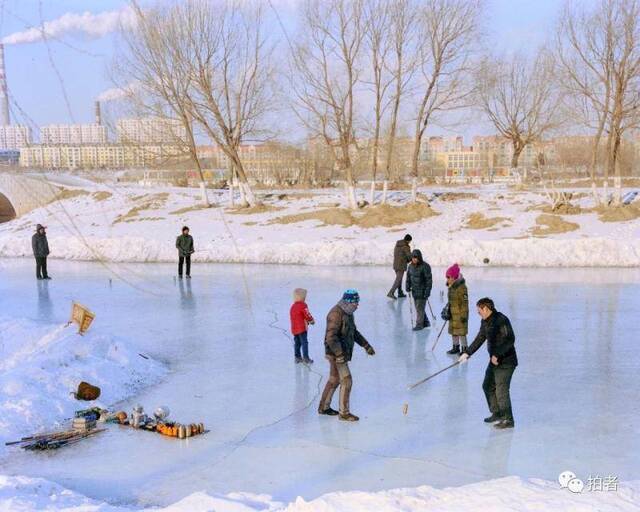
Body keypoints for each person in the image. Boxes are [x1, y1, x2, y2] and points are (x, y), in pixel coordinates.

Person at [459, 298, 518, 429]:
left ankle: (508, 419)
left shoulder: (501, 320)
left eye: (479, 311)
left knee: (501, 390)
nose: (478, 313)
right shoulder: (485, 322)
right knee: (487, 386)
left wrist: (498, 354)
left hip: (506, 361)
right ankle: (497, 413)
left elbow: (510, 340)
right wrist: (467, 353)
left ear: (486, 308)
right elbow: (480, 338)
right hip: (495, 361)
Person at [318, 289, 375, 422]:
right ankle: (344, 413)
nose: (357, 305)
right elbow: (330, 338)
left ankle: (323, 407)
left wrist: (366, 345)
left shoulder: (348, 313)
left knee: (334, 379)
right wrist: (339, 354)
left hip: (340, 353)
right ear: (348, 302)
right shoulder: (336, 314)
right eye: (356, 302)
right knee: (346, 380)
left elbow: (353, 332)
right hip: (336, 354)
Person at [445, 263, 469, 355]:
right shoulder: (451, 287)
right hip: (453, 313)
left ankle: (464, 348)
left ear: (454, 277)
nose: (447, 279)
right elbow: (451, 301)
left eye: (448, 277)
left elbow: (464, 303)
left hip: (460, 314)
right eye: (446, 277)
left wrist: (464, 315)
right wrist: (448, 310)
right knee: (454, 331)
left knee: (461, 332)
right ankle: (455, 347)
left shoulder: (462, 288)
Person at [405, 249, 432, 330]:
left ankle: (419, 325)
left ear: (419, 258)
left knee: (420, 308)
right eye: (413, 258)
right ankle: (426, 322)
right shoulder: (410, 266)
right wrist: (407, 286)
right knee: (418, 308)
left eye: (416, 258)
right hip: (414, 291)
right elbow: (408, 278)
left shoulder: (425, 266)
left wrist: (427, 291)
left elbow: (429, 280)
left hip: (422, 291)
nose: (414, 259)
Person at [290, 288, 315, 364]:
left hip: (294, 328)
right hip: (302, 328)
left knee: (297, 342)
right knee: (304, 342)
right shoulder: (303, 305)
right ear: (302, 297)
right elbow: (307, 314)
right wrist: (311, 320)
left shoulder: (292, 307)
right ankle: (306, 358)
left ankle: (297, 357)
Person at [387, 234, 412, 300]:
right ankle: (391, 292)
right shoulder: (406, 246)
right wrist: (410, 259)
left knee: (399, 279)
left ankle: (400, 292)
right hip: (401, 265)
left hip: (396, 264)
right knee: (398, 280)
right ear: (408, 240)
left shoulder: (398, 244)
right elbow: (409, 256)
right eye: (410, 241)